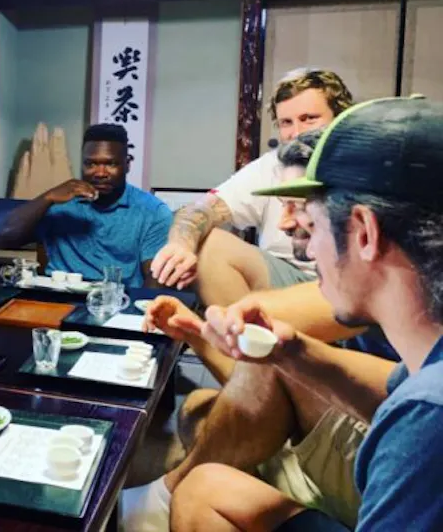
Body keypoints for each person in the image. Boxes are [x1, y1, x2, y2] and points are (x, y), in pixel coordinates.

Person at [169, 95, 443, 531]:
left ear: (365, 232)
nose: (293, 230)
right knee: (202, 465)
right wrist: (289, 351)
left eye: (313, 223)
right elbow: (395, 389)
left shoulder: (427, 418)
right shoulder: (425, 376)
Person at [120, 129, 396, 531]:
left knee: (201, 483)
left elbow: (415, 405)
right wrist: (197, 332)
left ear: (365, 227)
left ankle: (166, 499)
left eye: (301, 210)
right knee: (198, 408)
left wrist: (282, 347)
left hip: (388, 475)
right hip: (367, 441)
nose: (284, 225)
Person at [150, 68, 354, 305]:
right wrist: (181, 245)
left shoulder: (364, 166)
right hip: (286, 279)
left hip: (352, 286)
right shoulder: (272, 165)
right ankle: (241, 327)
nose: (296, 133)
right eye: (286, 122)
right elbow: (200, 209)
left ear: (340, 117)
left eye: (309, 118)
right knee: (211, 243)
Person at [0, 123, 171, 288]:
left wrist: (136, 308)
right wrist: (48, 197)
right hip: (58, 299)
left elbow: (155, 278)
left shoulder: (153, 211)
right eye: (91, 164)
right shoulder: (60, 203)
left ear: (127, 164)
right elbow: (9, 233)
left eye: (111, 164)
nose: (100, 173)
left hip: (117, 300)